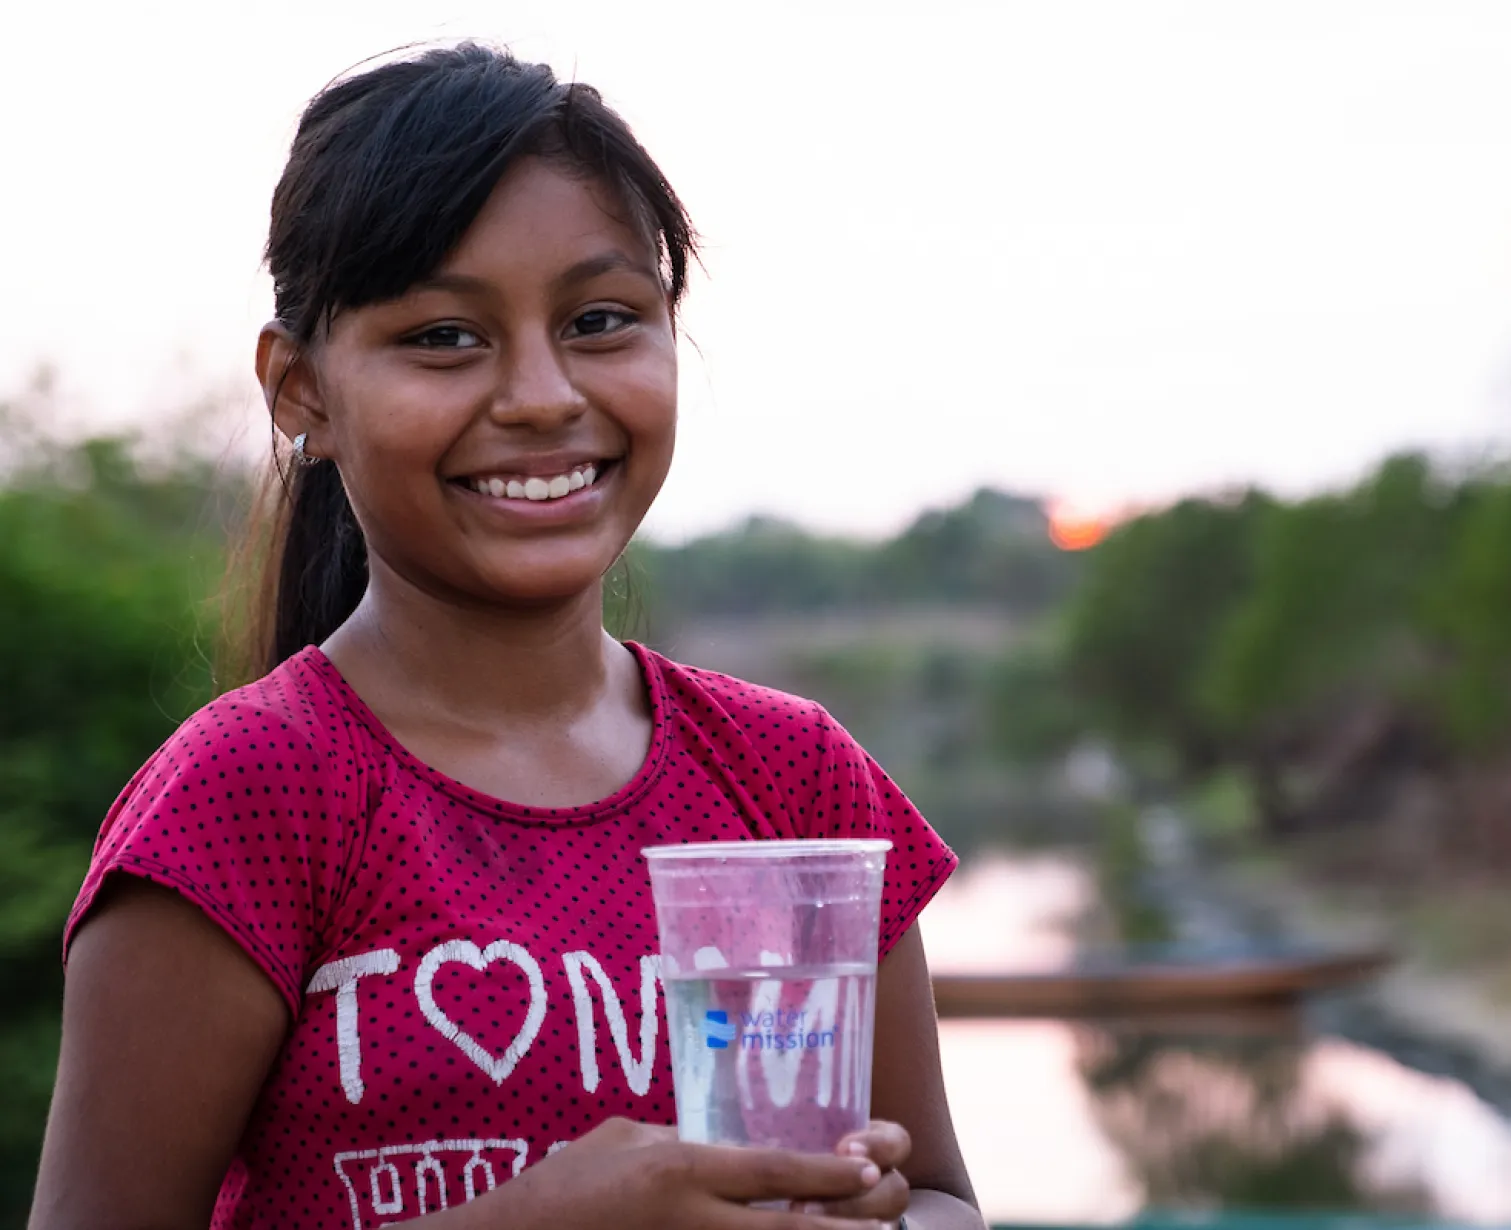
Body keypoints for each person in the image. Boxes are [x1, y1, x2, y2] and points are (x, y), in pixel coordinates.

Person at [30, 43, 980, 1230]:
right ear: (300, 391)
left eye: (599, 319)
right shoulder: (248, 801)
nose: (539, 395)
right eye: (442, 336)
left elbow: (940, 1196)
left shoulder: (793, 780)